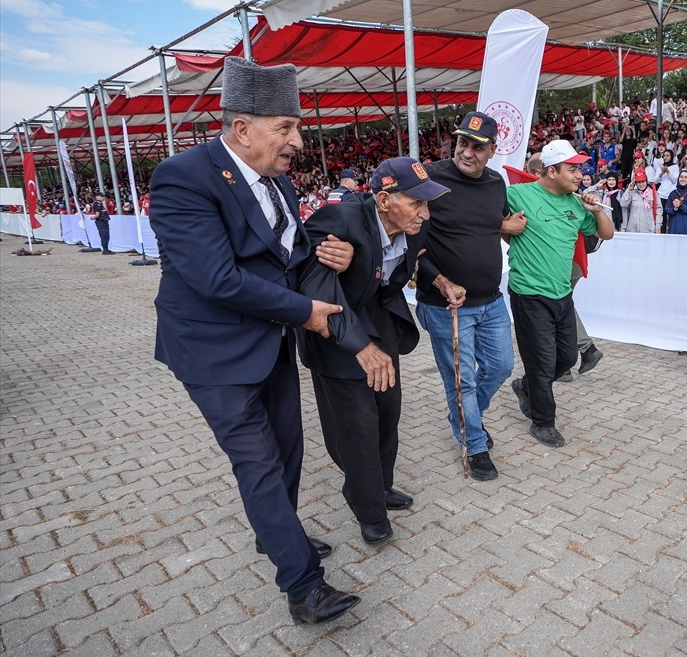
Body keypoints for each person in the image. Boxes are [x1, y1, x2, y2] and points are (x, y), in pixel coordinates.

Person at [148, 56, 360, 625]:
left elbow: (283, 258)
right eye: (284, 127)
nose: (297, 139)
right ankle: (303, 587)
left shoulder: (280, 184)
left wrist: (328, 254)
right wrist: (305, 309)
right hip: (213, 352)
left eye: (296, 125)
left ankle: (278, 536)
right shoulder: (183, 177)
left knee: (287, 451)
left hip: (268, 342)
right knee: (259, 463)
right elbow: (214, 278)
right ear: (242, 129)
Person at [297, 157, 447, 545]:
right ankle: (367, 507)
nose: (425, 213)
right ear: (383, 200)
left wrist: (443, 283)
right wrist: (359, 344)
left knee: (387, 409)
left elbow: (411, 264)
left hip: (378, 317)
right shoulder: (339, 220)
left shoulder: (413, 227)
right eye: (417, 203)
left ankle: (379, 486)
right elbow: (310, 285)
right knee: (357, 422)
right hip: (335, 326)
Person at [416, 111, 520, 482]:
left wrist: (509, 226)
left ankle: (461, 415)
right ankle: (473, 443)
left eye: (478, 147)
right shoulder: (429, 178)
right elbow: (411, 241)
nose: (468, 153)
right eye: (463, 143)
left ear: (492, 151)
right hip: (446, 305)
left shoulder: (496, 183)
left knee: (502, 367)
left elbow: (496, 225)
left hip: (491, 300)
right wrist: (441, 281)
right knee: (462, 384)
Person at [507, 140, 614, 447]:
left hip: (562, 295)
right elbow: (486, 221)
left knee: (566, 357)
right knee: (541, 362)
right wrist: (504, 225)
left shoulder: (575, 203)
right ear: (551, 171)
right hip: (528, 293)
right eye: (573, 168)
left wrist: (595, 209)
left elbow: (606, 233)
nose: (580, 174)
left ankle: (526, 386)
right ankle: (543, 422)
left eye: (580, 168)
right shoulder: (517, 194)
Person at [618, 166, 660, 233]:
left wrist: (658, 226)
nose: (641, 184)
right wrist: (628, 190)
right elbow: (623, 204)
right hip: (633, 229)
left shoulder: (653, 193)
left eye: (643, 181)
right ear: (636, 183)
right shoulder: (632, 193)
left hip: (648, 229)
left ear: (646, 181)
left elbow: (659, 210)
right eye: (639, 182)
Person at [665, 169, 687, 234]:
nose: (683, 179)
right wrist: (674, 208)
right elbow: (667, 209)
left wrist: (681, 205)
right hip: (674, 227)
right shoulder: (673, 193)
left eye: (686, 177)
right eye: (681, 177)